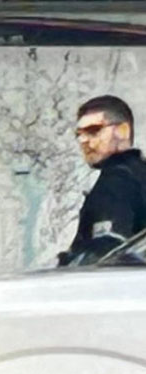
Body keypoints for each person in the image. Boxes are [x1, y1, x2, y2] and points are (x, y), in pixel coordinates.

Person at [59, 95, 146, 266]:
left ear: (123, 131)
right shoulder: (138, 174)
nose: (83, 141)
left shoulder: (117, 182)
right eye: (79, 134)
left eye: (93, 130)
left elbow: (105, 254)